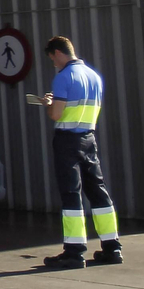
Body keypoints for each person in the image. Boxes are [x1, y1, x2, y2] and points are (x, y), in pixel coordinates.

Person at [38, 37, 122, 269]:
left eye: (53, 58)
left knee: (71, 193)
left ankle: (74, 252)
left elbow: (56, 114)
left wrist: (47, 104)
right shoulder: (94, 76)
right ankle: (112, 246)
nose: (54, 63)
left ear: (57, 53)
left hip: (67, 140)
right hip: (89, 138)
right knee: (98, 190)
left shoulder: (63, 77)